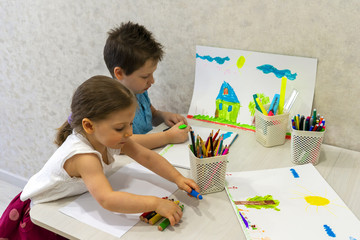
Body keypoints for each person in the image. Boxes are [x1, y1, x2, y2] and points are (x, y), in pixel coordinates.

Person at [0, 76, 200, 239]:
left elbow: (146, 157)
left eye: (130, 123)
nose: (129, 132)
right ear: (89, 126)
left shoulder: (111, 138)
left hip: (71, 202)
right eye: (121, 127)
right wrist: (156, 203)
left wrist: (177, 178)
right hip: (43, 215)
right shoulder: (84, 157)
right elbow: (108, 199)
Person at [103, 21, 189, 149]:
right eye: (145, 76)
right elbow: (121, 142)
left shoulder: (139, 90)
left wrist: (164, 116)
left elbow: (151, 113)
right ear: (119, 73)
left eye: (152, 74)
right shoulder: (109, 103)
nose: (152, 81)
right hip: (127, 163)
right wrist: (167, 137)